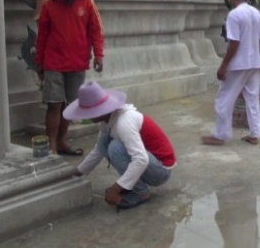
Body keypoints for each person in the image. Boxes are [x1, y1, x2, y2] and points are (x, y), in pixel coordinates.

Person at [64, 81, 176, 210]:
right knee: (104, 141)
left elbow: (141, 159)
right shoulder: (107, 122)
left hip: (161, 171)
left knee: (115, 148)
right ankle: (133, 185)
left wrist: (116, 188)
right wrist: (77, 172)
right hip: (150, 163)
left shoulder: (124, 122)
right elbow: (98, 150)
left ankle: (142, 193)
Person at [35, 0, 104, 156]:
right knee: (54, 103)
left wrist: (99, 55)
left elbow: (95, 32)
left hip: (77, 63)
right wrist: (39, 62)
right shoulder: (48, 7)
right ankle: (51, 146)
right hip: (53, 63)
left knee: (70, 106)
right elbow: (42, 37)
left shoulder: (87, 3)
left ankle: (62, 142)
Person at [202, 0, 260, 146]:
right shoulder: (256, 13)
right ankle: (255, 133)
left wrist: (223, 66)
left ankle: (220, 135)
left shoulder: (234, 15)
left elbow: (234, 43)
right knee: (252, 99)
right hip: (254, 63)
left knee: (224, 98)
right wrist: (256, 56)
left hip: (239, 63)